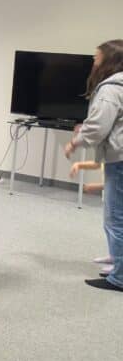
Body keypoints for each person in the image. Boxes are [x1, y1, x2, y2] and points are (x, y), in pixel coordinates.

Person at [65, 39, 123, 292]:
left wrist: (76, 141)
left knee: (115, 218)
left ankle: (119, 277)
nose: (93, 61)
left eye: (96, 57)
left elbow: (99, 126)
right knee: (116, 216)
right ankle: (116, 259)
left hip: (119, 159)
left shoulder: (111, 89)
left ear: (110, 61)